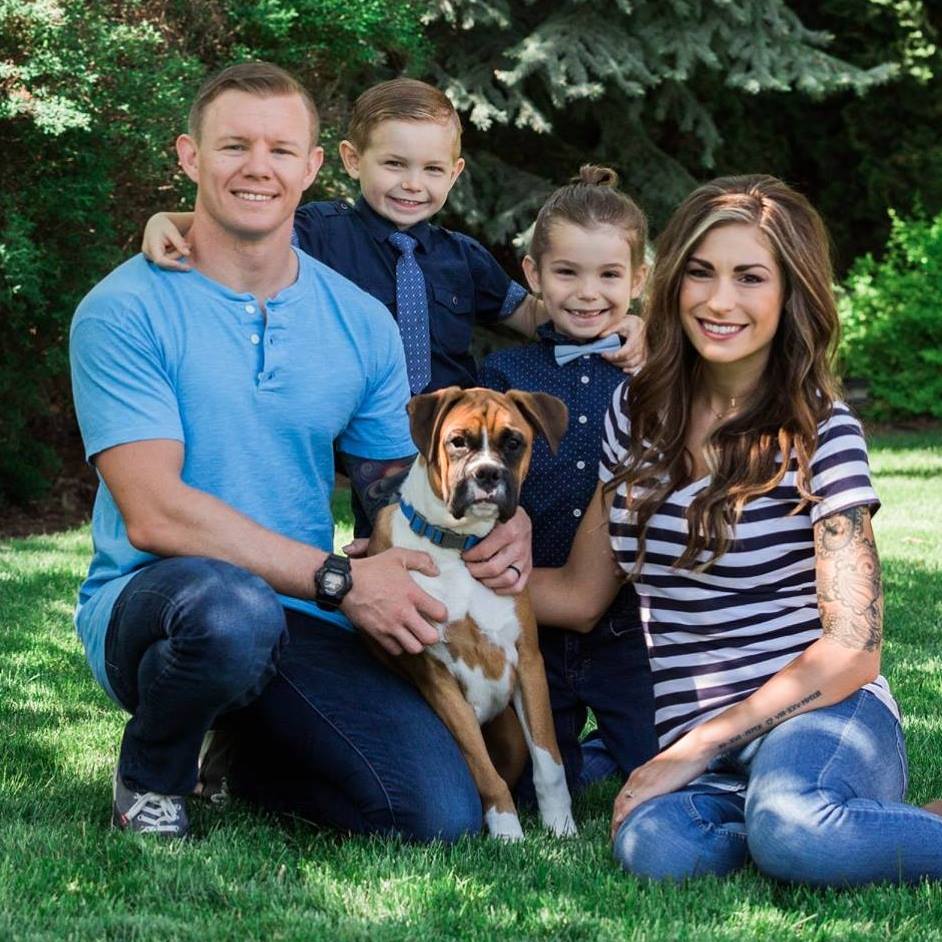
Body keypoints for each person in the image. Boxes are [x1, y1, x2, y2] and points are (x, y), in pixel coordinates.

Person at [69, 62, 532, 841]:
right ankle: (153, 777)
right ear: (189, 156)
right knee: (229, 611)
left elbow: (392, 483)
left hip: (307, 614)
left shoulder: (358, 319)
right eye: (234, 146)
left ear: (314, 167)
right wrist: (342, 578)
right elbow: (154, 515)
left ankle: (240, 752)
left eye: (281, 150)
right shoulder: (124, 309)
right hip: (162, 607)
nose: (258, 167)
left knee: (434, 814)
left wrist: (485, 525)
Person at [529, 174, 942, 885]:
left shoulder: (822, 432)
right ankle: (826, 824)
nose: (720, 301)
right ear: (672, 282)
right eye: (701, 273)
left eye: (750, 277)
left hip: (821, 717)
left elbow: (854, 650)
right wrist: (418, 562)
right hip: (705, 743)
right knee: (656, 853)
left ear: (791, 294)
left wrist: (691, 751)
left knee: (795, 831)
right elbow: (578, 594)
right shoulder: (633, 416)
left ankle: (815, 819)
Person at [140, 77, 644, 537]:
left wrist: (624, 323)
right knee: (386, 539)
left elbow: (536, 315)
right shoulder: (320, 230)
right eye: (394, 164)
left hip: (455, 438)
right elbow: (245, 224)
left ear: (454, 173)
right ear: (353, 159)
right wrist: (171, 218)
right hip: (366, 441)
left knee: (464, 548)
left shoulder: (463, 257)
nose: (412, 184)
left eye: (432, 170)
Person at [479, 166, 657, 797]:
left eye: (609, 275)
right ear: (533, 276)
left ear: (638, 280)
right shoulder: (503, 374)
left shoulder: (656, 378)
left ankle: (613, 746)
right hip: (528, 617)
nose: (588, 293)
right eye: (567, 273)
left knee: (662, 770)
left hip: (630, 622)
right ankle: (580, 754)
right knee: (531, 788)